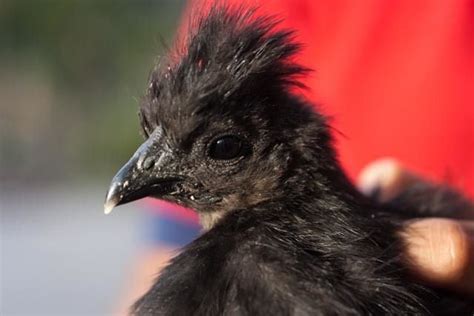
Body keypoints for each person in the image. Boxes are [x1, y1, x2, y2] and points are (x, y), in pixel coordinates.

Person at [117, 0, 474, 312]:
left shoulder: (401, 275)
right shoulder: (199, 286)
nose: (143, 165)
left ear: (292, 156)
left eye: (222, 149)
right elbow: (163, 244)